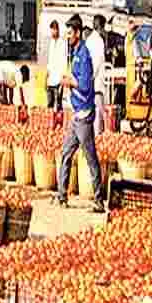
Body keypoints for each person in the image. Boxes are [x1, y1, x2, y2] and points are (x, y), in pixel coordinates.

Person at [56, 18, 105, 213]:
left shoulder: (84, 55)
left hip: (84, 116)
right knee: (66, 153)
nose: (67, 36)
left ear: (77, 33)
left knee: (90, 157)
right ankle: (61, 196)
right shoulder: (75, 52)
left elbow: (85, 85)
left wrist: (70, 82)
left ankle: (99, 200)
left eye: (70, 33)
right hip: (77, 115)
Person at [87, 15, 107, 135]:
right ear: (101, 26)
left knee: (91, 111)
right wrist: (92, 77)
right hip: (96, 83)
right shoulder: (98, 41)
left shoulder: (89, 40)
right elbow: (97, 61)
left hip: (91, 82)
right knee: (98, 111)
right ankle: (97, 136)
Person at [45, 20, 68, 111]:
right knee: (49, 103)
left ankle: (59, 122)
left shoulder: (62, 43)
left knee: (58, 102)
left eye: (55, 30)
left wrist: (63, 76)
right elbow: (50, 61)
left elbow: (64, 60)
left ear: (58, 30)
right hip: (50, 77)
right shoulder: (51, 43)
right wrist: (46, 75)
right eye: (52, 30)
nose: (53, 32)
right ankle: (50, 121)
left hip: (59, 78)